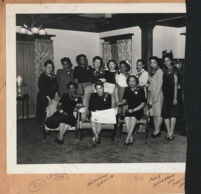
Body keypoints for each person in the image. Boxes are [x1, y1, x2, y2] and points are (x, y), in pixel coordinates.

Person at [115, 75, 146, 146]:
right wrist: (118, 103)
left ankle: (127, 139)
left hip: (138, 109)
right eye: (130, 81)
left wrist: (134, 110)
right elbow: (124, 101)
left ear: (136, 82)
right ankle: (131, 137)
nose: (132, 83)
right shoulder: (127, 89)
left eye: (133, 81)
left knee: (133, 118)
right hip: (129, 109)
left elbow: (143, 104)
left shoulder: (140, 89)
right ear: (128, 82)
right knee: (126, 117)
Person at [162, 55, 180, 140]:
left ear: (171, 61)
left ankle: (172, 133)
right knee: (165, 114)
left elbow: (176, 85)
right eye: (165, 61)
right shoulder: (164, 70)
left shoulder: (175, 70)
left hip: (173, 94)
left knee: (173, 113)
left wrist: (175, 97)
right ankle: (168, 132)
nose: (166, 62)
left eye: (168, 60)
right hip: (165, 95)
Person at [88, 81, 112, 145]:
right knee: (92, 118)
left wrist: (101, 112)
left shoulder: (108, 96)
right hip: (94, 113)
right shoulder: (93, 95)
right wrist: (95, 110)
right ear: (95, 89)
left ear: (103, 88)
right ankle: (97, 136)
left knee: (100, 120)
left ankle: (95, 137)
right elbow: (90, 107)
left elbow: (108, 108)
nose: (99, 90)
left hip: (103, 114)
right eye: (97, 89)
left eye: (100, 88)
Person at [36, 60, 58, 124]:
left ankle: (50, 124)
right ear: (45, 68)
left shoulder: (53, 76)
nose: (50, 69)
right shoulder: (42, 77)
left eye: (51, 67)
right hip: (44, 97)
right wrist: (48, 98)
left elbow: (56, 85)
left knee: (52, 111)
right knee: (45, 113)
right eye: (48, 67)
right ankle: (45, 127)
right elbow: (42, 88)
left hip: (51, 96)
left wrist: (56, 92)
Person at [148, 56, 164, 138]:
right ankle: (155, 129)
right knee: (153, 113)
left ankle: (158, 130)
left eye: (154, 62)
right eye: (151, 62)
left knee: (158, 113)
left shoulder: (159, 71)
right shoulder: (152, 71)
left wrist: (156, 96)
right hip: (152, 94)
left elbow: (159, 85)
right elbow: (151, 84)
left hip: (158, 94)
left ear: (157, 63)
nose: (152, 64)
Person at [136, 59, 149, 134]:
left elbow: (143, 83)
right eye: (137, 64)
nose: (138, 66)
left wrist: (134, 84)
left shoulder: (145, 73)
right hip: (138, 92)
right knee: (139, 109)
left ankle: (143, 128)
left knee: (143, 108)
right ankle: (140, 127)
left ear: (143, 65)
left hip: (142, 92)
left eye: (140, 64)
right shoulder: (138, 73)